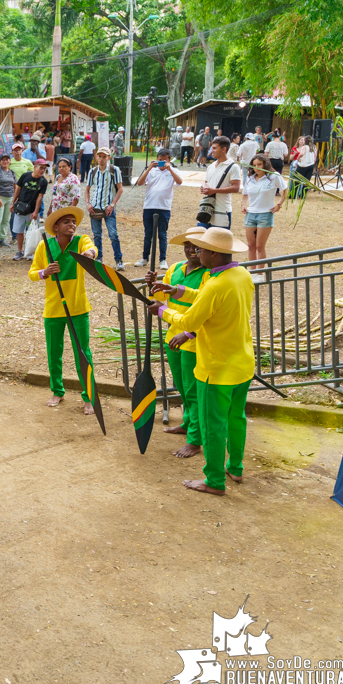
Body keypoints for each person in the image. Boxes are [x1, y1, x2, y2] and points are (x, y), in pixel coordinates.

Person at [147, 227, 254, 496]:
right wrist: (178, 290)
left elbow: (188, 320)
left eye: (202, 248)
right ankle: (236, 467)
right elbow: (206, 299)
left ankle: (214, 480)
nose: (196, 251)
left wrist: (162, 310)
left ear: (215, 254)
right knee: (235, 418)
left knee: (212, 425)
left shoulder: (216, 284)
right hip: (241, 363)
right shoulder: (240, 275)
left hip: (215, 368)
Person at [27, 206, 98, 414]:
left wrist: (90, 253)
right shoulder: (44, 246)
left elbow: (92, 248)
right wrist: (44, 272)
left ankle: (89, 396)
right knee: (54, 352)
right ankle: (57, 391)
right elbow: (32, 272)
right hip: (53, 309)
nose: (72, 225)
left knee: (83, 353)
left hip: (78, 307)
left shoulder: (80, 241)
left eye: (73, 222)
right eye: (67, 222)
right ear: (55, 227)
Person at [146, 227, 207, 458]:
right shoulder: (174, 269)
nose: (192, 250)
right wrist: (153, 284)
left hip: (193, 338)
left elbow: (202, 304)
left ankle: (195, 440)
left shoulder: (207, 275)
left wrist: (189, 332)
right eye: (188, 246)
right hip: (173, 336)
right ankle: (188, 424)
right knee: (181, 386)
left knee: (192, 390)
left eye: (197, 247)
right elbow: (162, 298)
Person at [133, 148, 182, 269]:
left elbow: (179, 182)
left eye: (164, 161)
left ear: (169, 160)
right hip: (149, 206)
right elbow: (139, 183)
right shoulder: (152, 171)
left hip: (164, 207)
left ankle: (162, 259)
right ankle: (145, 258)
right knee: (148, 234)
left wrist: (169, 168)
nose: (162, 163)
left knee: (162, 234)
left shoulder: (173, 171)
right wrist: (149, 168)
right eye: (159, 160)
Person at [241, 153, 286, 282]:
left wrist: (279, 205)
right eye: (254, 165)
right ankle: (252, 271)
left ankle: (260, 273)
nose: (257, 168)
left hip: (265, 214)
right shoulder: (250, 178)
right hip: (251, 213)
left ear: (265, 164)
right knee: (251, 245)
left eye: (259, 164)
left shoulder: (273, 176)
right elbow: (245, 193)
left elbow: (285, 190)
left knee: (260, 246)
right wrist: (243, 204)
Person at [84, 148, 124, 270]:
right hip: (95, 207)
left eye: (104, 157)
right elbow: (87, 189)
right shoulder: (93, 171)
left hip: (108, 208)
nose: (101, 159)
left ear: (109, 158)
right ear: (96, 157)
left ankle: (118, 260)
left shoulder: (114, 170)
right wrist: (88, 203)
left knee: (113, 234)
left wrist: (112, 204)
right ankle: (99, 258)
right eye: (99, 156)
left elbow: (120, 189)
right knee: (96, 235)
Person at [10, 160, 48, 261]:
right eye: (41, 167)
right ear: (35, 167)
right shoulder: (25, 176)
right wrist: (12, 203)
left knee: (32, 231)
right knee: (19, 231)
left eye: (44, 169)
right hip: (20, 208)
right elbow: (18, 189)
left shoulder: (44, 181)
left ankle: (30, 251)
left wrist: (36, 212)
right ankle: (20, 251)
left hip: (32, 210)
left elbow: (40, 198)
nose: (43, 170)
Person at [200, 137, 242, 228]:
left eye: (215, 148)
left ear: (223, 149)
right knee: (200, 239)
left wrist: (214, 190)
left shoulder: (233, 167)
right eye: (212, 148)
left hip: (222, 210)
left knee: (219, 241)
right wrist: (204, 188)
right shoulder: (210, 166)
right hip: (206, 209)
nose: (212, 151)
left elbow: (236, 188)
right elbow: (207, 183)